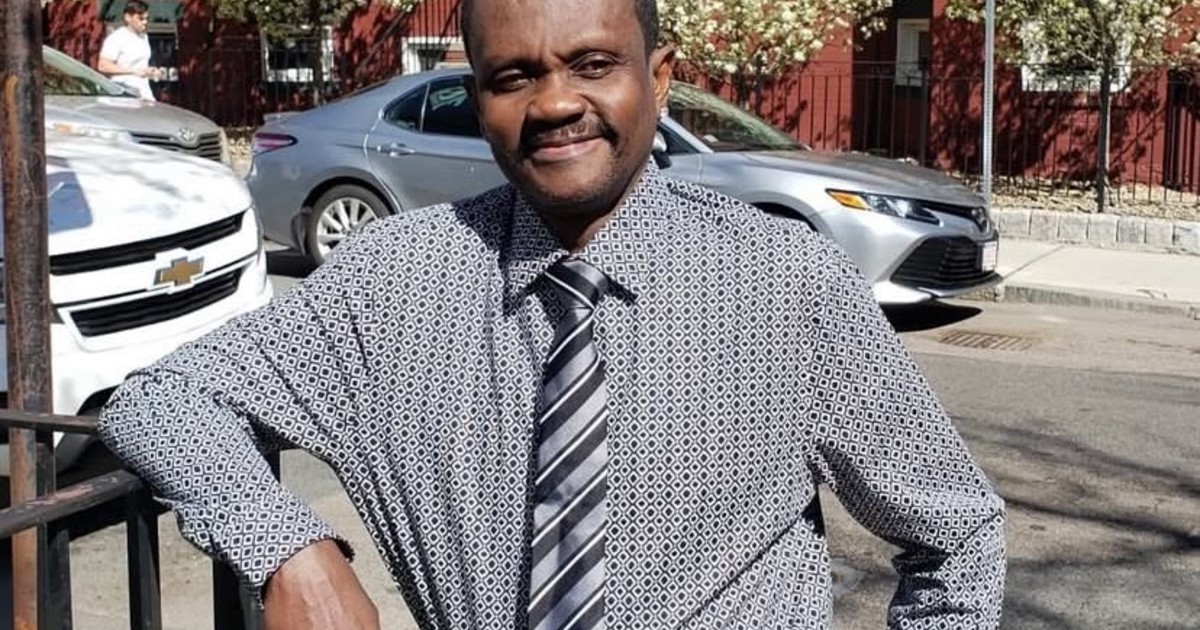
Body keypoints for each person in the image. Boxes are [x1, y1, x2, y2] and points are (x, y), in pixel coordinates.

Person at [97, 0, 1007, 626]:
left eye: (594, 65)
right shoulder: (394, 282)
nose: (557, 103)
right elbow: (161, 401)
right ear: (478, 99)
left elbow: (956, 536)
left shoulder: (784, 280)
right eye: (513, 76)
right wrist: (291, 551)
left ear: (659, 77)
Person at [96, 0, 160, 100]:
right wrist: (133, 71)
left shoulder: (144, 37)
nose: (145, 22)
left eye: (147, 19)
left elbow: (141, 66)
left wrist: (151, 72)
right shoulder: (117, 38)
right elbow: (103, 66)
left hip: (143, 91)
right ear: (128, 17)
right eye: (140, 19)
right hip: (123, 92)